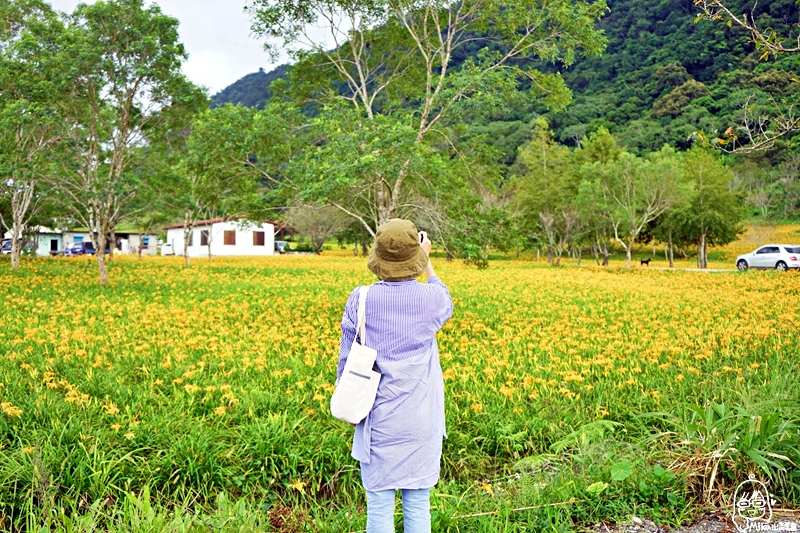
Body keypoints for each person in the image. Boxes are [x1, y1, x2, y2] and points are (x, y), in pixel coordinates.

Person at [337, 218, 454, 533]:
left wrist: (347, 403)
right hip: (421, 421)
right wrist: (427, 263)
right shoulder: (431, 300)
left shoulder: (360, 299)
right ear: (417, 254)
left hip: (377, 421)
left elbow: (346, 357)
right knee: (418, 506)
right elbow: (445, 298)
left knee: (379, 509)